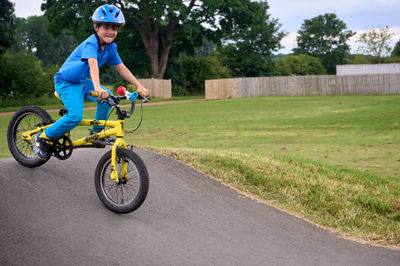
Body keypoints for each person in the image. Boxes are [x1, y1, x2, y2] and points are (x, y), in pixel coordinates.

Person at [33, 4, 149, 160]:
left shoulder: (111, 48)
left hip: (81, 82)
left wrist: (139, 85)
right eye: (106, 27)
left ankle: (96, 132)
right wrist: (97, 87)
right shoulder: (91, 43)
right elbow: (93, 64)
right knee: (75, 117)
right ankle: (42, 137)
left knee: (109, 99)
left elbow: (121, 68)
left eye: (115, 28)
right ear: (96, 27)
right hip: (66, 83)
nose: (110, 31)